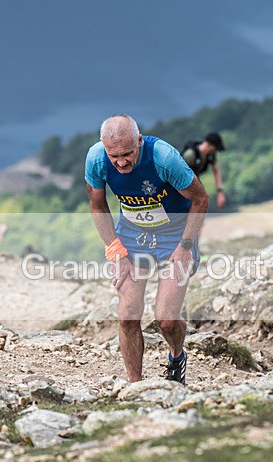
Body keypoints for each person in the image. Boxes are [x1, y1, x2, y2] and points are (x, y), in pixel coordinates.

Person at [85, 115, 209, 384]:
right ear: (104, 147)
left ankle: (176, 356)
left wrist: (185, 246)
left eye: (127, 154)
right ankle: (135, 386)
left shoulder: (164, 158)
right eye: (114, 156)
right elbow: (97, 205)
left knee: (166, 320)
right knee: (128, 316)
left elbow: (200, 199)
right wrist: (115, 251)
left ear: (139, 141)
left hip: (175, 234)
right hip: (132, 235)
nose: (121, 162)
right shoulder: (96, 158)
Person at [181, 132, 227, 209]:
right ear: (209, 145)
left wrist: (220, 193)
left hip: (193, 182)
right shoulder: (190, 155)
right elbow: (181, 175)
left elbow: (216, 170)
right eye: (215, 148)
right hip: (182, 184)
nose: (215, 151)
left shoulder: (210, 155)